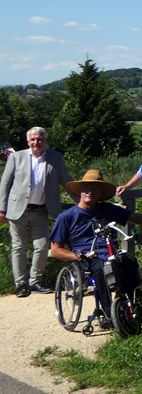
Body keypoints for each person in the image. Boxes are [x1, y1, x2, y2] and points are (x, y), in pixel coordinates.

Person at [50, 169, 142, 327]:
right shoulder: (67, 217)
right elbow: (55, 250)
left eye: (95, 188)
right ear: (80, 191)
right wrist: (76, 256)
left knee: (129, 261)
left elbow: (135, 217)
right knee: (101, 269)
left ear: (100, 192)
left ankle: (136, 305)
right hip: (86, 257)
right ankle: (111, 315)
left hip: (111, 253)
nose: (90, 192)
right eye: (87, 188)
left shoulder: (106, 209)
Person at [0, 127, 73, 298]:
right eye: (32, 139)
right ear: (28, 141)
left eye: (39, 139)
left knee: (41, 247)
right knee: (18, 247)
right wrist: (1, 208)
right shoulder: (16, 158)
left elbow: (67, 182)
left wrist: (83, 202)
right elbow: (5, 183)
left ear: (45, 141)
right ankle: (20, 284)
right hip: (18, 210)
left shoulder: (56, 158)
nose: (36, 142)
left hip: (41, 210)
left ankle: (34, 282)